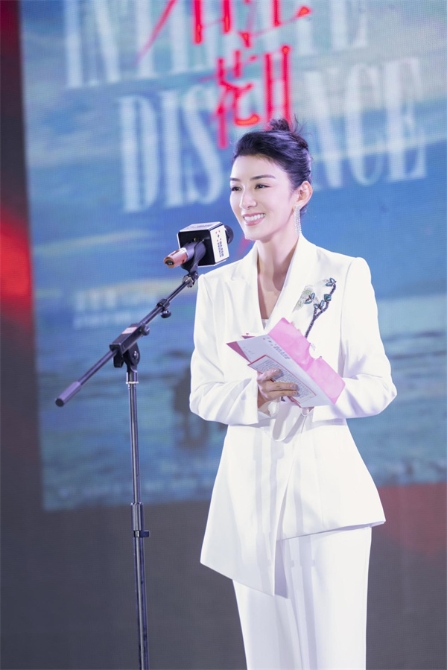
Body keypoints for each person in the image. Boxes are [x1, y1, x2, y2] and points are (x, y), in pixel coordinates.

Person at [190, 118, 396, 670]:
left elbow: (377, 387)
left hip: (325, 501)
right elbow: (203, 394)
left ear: (300, 193)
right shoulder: (216, 287)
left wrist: (320, 382)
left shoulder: (343, 274)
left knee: (333, 660)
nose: (245, 200)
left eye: (261, 185)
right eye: (236, 186)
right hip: (248, 505)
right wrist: (253, 395)